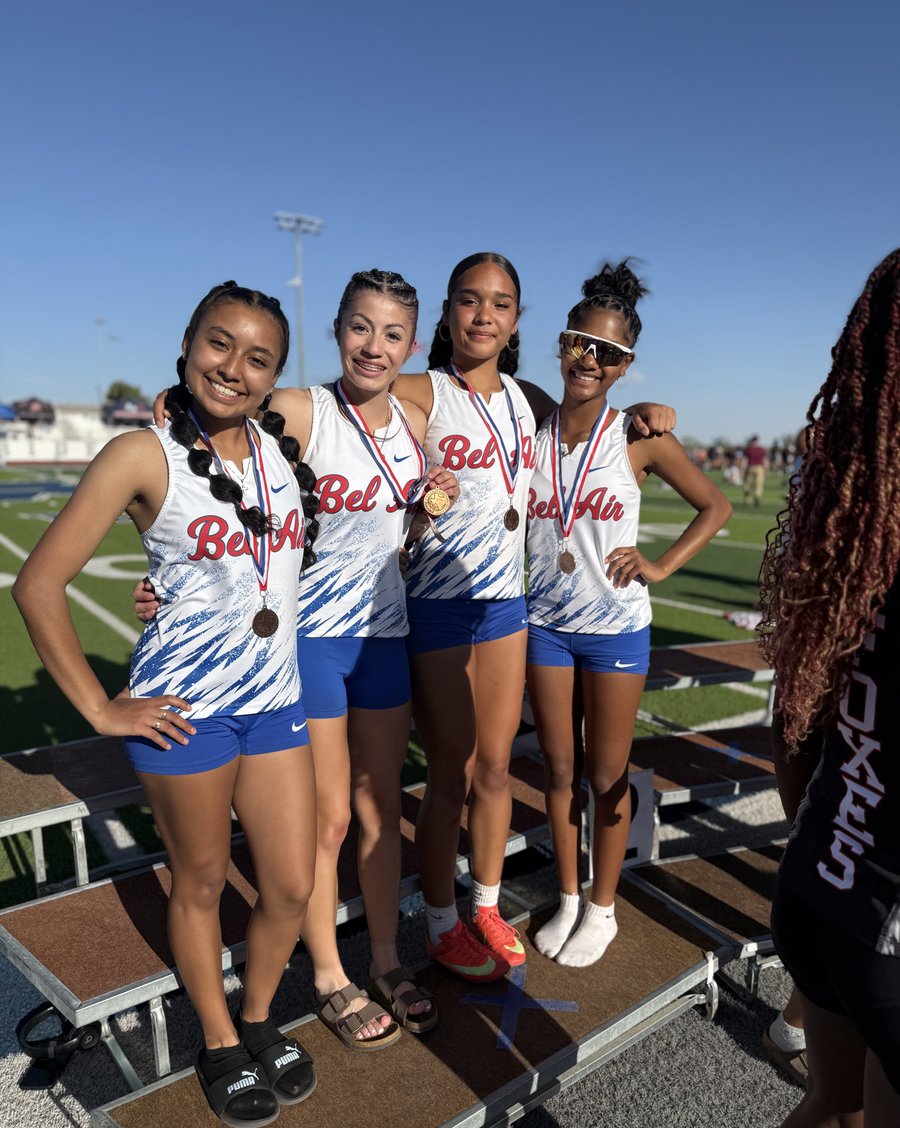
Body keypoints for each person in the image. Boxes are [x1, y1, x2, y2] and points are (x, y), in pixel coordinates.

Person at [13, 283, 320, 1128]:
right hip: (184, 709)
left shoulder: (277, 453)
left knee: (290, 886)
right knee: (204, 878)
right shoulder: (139, 453)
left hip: (274, 702)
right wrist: (101, 708)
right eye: (219, 344)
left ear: (274, 377)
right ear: (187, 344)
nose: (235, 367)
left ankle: (258, 1017)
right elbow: (39, 587)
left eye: (258, 358)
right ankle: (217, 1040)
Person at [142, 270, 457, 1044]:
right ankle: (328, 974)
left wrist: (423, 512)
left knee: (381, 810)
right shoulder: (299, 409)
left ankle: (384, 956)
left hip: (383, 637)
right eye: (359, 327)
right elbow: (189, 436)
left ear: (411, 345)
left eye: (391, 334)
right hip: (306, 642)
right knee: (331, 816)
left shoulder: (416, 420)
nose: (373, 346)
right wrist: (167, 581)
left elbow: (394, 538)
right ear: (338, 329)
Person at [388, 253, 677, 981]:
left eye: (501, 303)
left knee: (493, 767)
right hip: (440, 606)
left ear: (518, 321)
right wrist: (189, 403)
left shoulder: (531, 403)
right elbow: (330, 404)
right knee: (451, 770)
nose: (484, 314)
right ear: (448, 312)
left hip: (511, 609)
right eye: (469, 300)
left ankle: (485, 903)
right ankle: (442, 919)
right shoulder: (416, 389)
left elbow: (600, 421)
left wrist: (652, 416)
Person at [523, 260, 732, 966]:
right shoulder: (533, 424)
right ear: (561, 344)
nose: (590, 359)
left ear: (625, 366)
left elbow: (715, 505)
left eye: (607, 352)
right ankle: (571, 896)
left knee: (606, 775)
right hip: (545, 623)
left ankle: (605, 908)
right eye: (580, 343)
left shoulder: (639, 434)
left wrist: (662, 564)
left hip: (613, 627)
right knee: (556, 770)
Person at [757, 249, 900, 1128]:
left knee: (834, 1119)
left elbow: (794, 724)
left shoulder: (858, 520)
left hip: (817, 891)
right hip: (888, 923)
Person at [743, 435, 769, 505]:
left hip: (750, 467)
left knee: (748, 484)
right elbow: (765, 460)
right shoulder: (761, 449)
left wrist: (742, 469)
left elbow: (745, 460)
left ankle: (747, 499)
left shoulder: (748, 449)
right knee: (758, 484)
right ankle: (757, 496)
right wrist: (767, 469)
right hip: (759, 468)